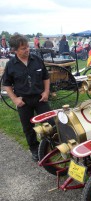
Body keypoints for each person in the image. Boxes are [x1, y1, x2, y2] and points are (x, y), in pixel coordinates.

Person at [2, 34, 54, 162]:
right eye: (23, 48)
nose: (27, 50)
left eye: (27, 47)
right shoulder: (11, 65)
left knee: (51, 123)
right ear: (14, 50)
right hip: (23, 101)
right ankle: (35, 149)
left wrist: (46, 92)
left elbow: (46, 77)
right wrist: (15, 99)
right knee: (28, 128)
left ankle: (53, 145)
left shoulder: (36, 59)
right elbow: (6, 84)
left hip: (40, 98)